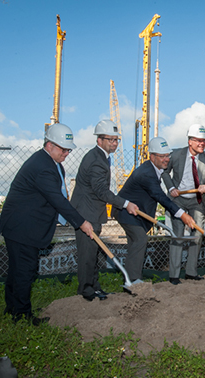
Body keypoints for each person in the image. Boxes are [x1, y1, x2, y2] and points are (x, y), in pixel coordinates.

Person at [0, 123, 94, 325]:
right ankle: (22, 315)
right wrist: (81, 222)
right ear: (49, 145)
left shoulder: (51, 164)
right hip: (22, 227)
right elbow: (57, 199)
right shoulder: (43, 167)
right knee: (24, 270)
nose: (67, 153)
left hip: (21, 225)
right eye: (63, 148)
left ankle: (13, 308)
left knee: (18, 270)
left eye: (69, 149)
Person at [71, 120, 139, 301]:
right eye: (110, 139)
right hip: (86, 214)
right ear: (99, 140)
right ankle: (86, 292)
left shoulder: (101, 157)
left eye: (116, 140)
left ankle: (94, 287)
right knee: (87, 255)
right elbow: (101, 191)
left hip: (92, 212)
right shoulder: (96, 161)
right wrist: (125, 204)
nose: (114, 143)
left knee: (92, 253)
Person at [114, 137, 195, 284]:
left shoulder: (153, 170)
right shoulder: (147, 174)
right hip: (126, 212)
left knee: (135, 243)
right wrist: (182, 215)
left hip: (136, 213)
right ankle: (133, 280)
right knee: (140, 239)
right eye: (162, 156)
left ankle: (130, 279)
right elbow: (161, 198)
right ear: (152, 156)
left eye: (167, 156)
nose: (166, 159)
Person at [161, 124, 205, 285]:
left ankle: (191, 272)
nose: (202, 144)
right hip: (178, 200)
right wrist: (171, 187)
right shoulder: (175, 154)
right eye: (199, 141)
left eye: (204, 141)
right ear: (190, 141)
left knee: (197, 236)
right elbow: (164, 172)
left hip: (197, 201)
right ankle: (174, 275)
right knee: (178, 236)